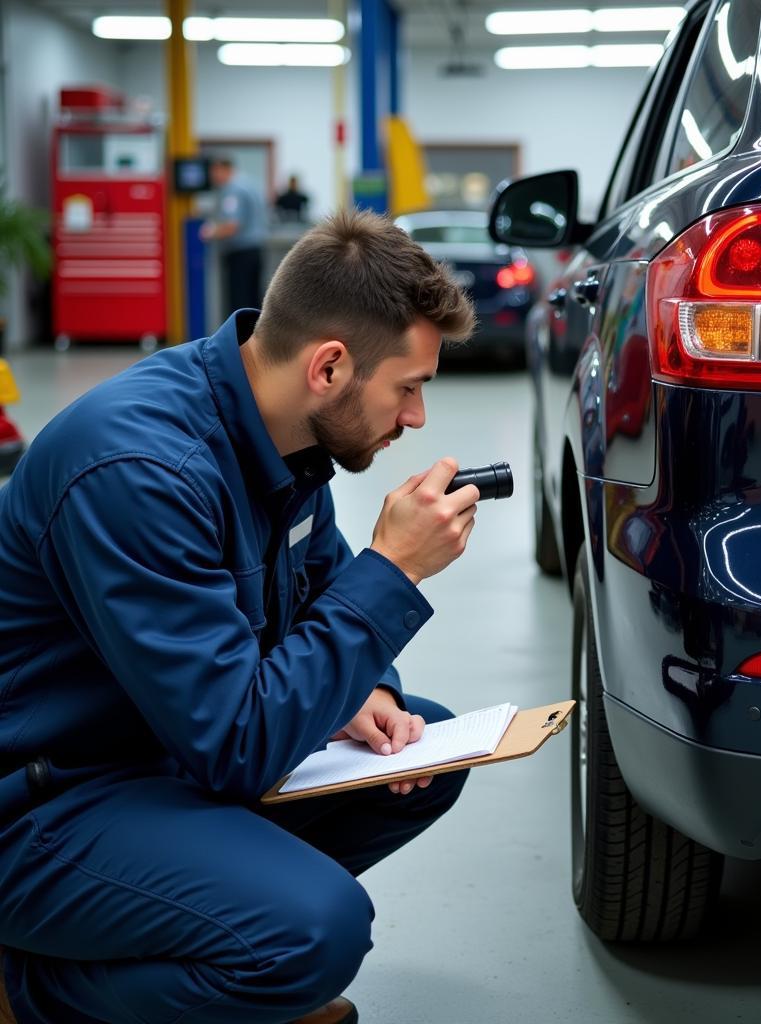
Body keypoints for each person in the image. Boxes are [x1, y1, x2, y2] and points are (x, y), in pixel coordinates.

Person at [0, 210, 478, 1024]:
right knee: (314, 933)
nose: (416, 418)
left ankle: (211, 944)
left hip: (158, 752)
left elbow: (320, 596)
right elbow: (235, 747)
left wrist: (376, 693)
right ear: (329, 366)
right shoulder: (141, 470)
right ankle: (28, 989)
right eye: (409, 387)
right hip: (46, 802)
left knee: (424, 750)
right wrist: (395, 568)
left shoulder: (282, 438)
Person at [200, 155, 268, 314]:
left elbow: (232, 226)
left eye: (215, 172)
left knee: (239, 302)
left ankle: (239, 338)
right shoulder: (250, 184)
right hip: (255, 250)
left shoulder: (233, 190)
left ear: (223, 169)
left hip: (240, 253)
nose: (213, 177)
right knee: (253, 300)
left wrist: (209, 232)